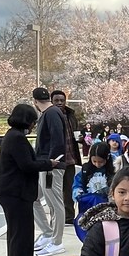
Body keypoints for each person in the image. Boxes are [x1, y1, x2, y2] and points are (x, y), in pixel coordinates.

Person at [0, 103, 65, 256]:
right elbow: (26, 165)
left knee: (23, 235)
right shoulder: (16, 138)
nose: (34, 125)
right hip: (15, 193)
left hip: (15, 192)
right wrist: (49, 163)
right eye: (32, 121)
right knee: (20, 237)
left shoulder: (14, 136)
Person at [32, 87, 67, 256]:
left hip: (50, 165)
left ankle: (57, 241)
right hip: (45, 164)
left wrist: (52, 161)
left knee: (55, 203)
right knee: (35, 197)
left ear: (34, 101)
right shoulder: (50, 113)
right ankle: (48, 233)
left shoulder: (51, 113)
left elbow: (58, 140)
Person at [50, 90, 82, 224]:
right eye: (56, 100)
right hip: (56, 160)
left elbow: (75, 132)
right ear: (51, 101)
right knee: (55, 191)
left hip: (70, 158)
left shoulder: (70, 115)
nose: (59, 103)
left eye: (62, 101)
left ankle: (68, 217)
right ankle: (57, 217)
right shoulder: (50, 116)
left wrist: (80, 138)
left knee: (68, 189)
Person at [72, 142, 116, 233]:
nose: (97, 164)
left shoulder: (113, 171)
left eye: (101, 162)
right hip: (88, 205)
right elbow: (77, 184)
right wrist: (78, 192)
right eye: (94, 161)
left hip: (106, 207)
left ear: (107, 158)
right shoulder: (85, 170)